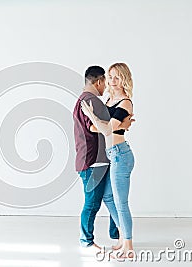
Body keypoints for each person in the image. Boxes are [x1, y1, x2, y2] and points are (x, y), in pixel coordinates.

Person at [73, 66, 132, 254]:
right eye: (110, 78)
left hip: (118, 154)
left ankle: (126, 243)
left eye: (116, 78)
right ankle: (109, 237)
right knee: (103, 199)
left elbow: (107, 127)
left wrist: (120, 123)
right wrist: (122, 123)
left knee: (118, 202)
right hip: (105, 156)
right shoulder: (101, 100)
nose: (111, 81)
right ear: (100, 82)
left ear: (124, 80)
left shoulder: (122, 102)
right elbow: (101, 127)